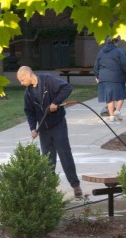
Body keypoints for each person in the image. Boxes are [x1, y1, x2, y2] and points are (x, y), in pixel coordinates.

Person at [16, 66, 83, 198]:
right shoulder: (28, 94)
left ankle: (75, 185)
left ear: (29, 74)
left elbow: (67, 88)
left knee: (65, 155)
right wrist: (33, 128)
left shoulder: (48, 81)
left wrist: (55, 102)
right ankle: (50, 189)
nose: (21, 83)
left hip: (58, 125)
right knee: (47, 160)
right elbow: (29, 112)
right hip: (44, 129)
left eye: (22, 80)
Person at [93, 37, 126, 122]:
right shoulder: (118, 51)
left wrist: (97, 76)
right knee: (120, 94)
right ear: (115, 42)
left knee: (109, 97)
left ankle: (111, 116)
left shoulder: (101, 52)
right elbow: (125, 63)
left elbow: (96, 64)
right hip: (117, 76)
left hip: (104, 77)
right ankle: (117, 111)